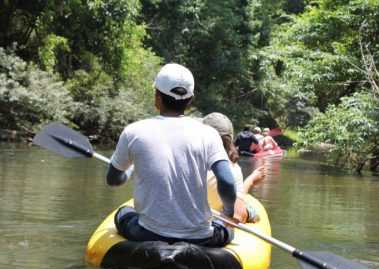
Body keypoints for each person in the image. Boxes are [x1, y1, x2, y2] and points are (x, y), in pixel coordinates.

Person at [106, 63, 237, 247]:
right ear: (190, 100)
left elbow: (113, 180)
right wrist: (228, 214)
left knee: (122, 213)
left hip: (147, 234)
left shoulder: (133, 132)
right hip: (201, 237)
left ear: (157, 97)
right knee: (225, 229)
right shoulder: (209, 134)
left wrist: (129, 170)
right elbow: (228, 182)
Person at [202, 113, 265, 223]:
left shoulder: (187, 161)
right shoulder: (232, 168)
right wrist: (250, 181)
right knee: (251, 211)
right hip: (218, 222)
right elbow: (237, 213)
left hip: (189, 220)